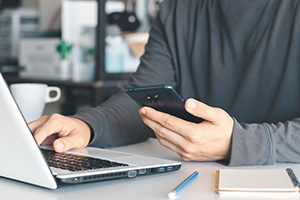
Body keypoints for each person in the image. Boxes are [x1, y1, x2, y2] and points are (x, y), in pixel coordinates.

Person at [29, 0, 300, 166]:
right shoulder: (178, 7)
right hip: (195, 182)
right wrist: (88, 125)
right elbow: (144, 101)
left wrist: (239, 142)